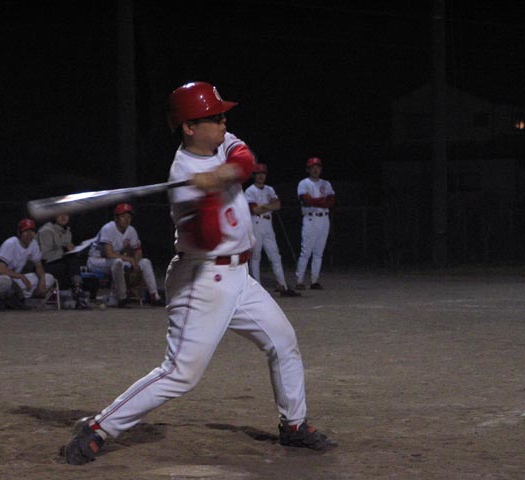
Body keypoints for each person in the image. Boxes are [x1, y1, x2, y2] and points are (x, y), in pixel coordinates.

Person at [60, 81, 336, 465]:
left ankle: (293, 424)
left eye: (222, 116)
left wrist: (221, 176)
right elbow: (207, 238)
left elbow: (244, 160)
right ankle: (99, 428)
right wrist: (205, 196)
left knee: (283, 342)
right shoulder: (183, 178)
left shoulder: (219, 143)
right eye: (214, 117)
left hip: (240, 277)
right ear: (189, 127)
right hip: (203, 279)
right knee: (181, 373)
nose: (224, 122)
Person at [86, 203, 164, 308]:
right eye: (123, 216)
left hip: (115, 259)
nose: (126, 219)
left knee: (145, 262)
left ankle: (154, 296)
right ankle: (122, 298)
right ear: (116, 218)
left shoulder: (131, 230)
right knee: (117, 262)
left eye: (129, 217)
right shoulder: (108, 228)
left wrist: (136, 263)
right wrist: (130, 260)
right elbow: (109, 254)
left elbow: (138, 251)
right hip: (96, 260)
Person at [244, 163, 300, 297]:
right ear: (254, 175)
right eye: (258, 174)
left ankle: (283, 286)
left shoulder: (269, 189)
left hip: (268, 224)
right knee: (256, 256)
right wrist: (269, 206)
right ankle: (256, 289)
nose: (261, 176)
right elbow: (255, 210)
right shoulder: (250, 191)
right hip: (256, 223)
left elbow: (278, 205)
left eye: (263, 174)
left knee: (275, 255)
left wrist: (264, 206)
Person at [0, 218, 56, 310]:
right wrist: (22, 277)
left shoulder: (33, 244)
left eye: (32, 231)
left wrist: (42, 281)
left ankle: (13, 299)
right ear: (19, 233)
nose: (29, 234)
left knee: (48, 278)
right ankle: (1, 298)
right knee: (4, 281)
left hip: (14, 279)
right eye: (26, 231)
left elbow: (38, 265)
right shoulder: (10, 243)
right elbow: (1, 270)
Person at [295, 157, 335, 290]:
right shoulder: (304, 183)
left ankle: (314, 280)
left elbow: (331, 201)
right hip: (310, 219)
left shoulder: (326, 183)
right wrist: (322, 200)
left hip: (324, 219)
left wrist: (316, 201)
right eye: (313, 167)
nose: (315, 169)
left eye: (317, 167)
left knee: (319, 252)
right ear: (308, 169)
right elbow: (306, 200)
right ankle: (299, 280)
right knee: (306, 251)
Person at [37, 213, 90, 309]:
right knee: (71, 262)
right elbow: (44, 256)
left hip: (61, 264)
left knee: (73, 260)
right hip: (44, 267)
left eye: (66, 214)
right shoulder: (46, 231)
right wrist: (64, 249)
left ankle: (77, 290)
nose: (63, 217)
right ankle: (77, 291)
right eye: (60, 214)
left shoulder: (67, 231)